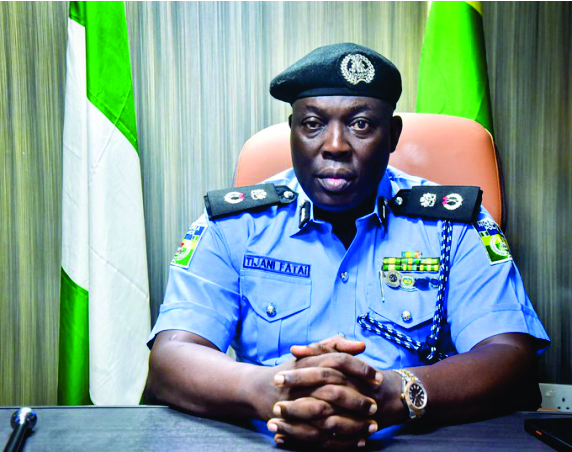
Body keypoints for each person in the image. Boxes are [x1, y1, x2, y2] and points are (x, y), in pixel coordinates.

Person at [145, 43, 550, 450]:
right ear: (292, 131)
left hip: (409, 441)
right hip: (272, 440)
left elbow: (511, 358)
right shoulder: (234, 225)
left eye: (360, 124)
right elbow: (171, 358)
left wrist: (397, 394)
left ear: (392, 136)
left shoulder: (453, 223)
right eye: (313, 124)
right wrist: (268, 390)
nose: (335, 145)